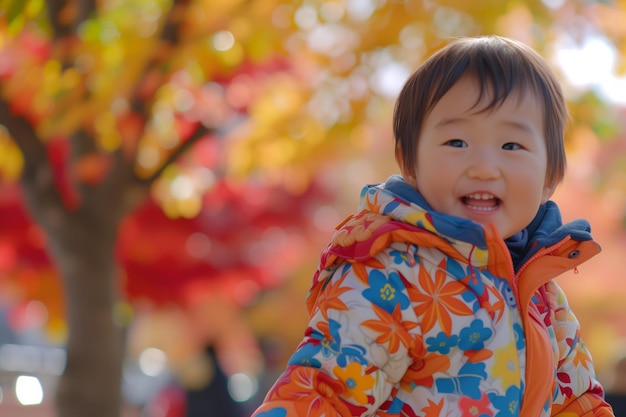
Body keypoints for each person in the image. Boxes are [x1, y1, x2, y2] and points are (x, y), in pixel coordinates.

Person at [251, 35, 615, 417]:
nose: (484, 168)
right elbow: (324, 391)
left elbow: (577, 401)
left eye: (511, 146)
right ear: (409, 162)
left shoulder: (540, 291)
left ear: (550, 176)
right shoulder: (392, 271)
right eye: (457, 142)